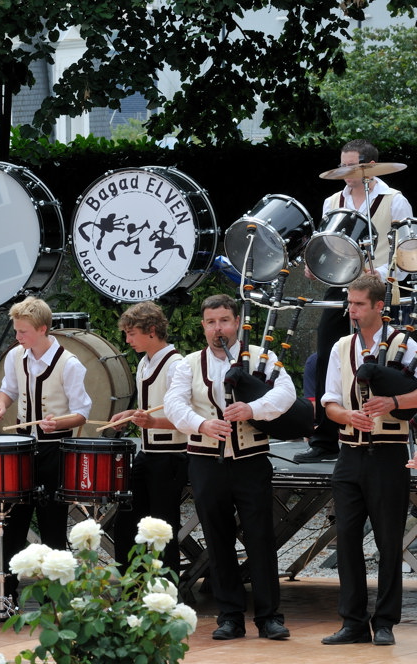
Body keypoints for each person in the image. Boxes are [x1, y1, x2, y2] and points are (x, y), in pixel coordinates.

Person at [164, 294, 295, 641]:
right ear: (203, 325)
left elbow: (286, 394)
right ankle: (230, 616)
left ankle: (269, 617)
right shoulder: (187, 364)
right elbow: (174, 405)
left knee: (261, 538)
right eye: (210, 322)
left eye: (223, 320)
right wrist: (201, 424)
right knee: (217, 539)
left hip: (251, 460)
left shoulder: (262, 359)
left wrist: (254, 409)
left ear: (236, 322)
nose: (217, 328)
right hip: (206, 462)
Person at [0, 296, 89, 623]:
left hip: (55, 449)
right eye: (16, 330)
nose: (18, 336)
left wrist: (59, 423)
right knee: (9, 524)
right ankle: (2, 601)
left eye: (23, 331)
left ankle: (58, 605)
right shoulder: (15, 357)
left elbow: (81, 413)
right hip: (22, 449)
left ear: (42, 329)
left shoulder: (70, 364)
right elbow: (8, 390)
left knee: (52, 527)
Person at [296, 138, 413, 464]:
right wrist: (314, 266)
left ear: (370, 167)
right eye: (343, 164)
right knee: (326, 356)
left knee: (381, 361)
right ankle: (324, 440)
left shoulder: (395, 201)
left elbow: (408, 253)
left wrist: (382, 274)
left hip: (382, 291)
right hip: (343, 289)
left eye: (352, 165)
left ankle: (383, 433)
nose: (346, 171)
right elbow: (328, 250)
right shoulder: (332, 201)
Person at [320, 275, 415, 646]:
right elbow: (329, 402)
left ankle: (387, 622)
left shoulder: (406, 344)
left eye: (359, 304)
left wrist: (391, 403)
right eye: (350, 303)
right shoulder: (342, 346)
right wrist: (347, 416)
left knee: (389, 541)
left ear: (379, 306)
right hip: (349, 454)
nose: (352, 310)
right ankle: (353, 622)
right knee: (346, 539)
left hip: (389, 453)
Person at [109, 301, 187, 573]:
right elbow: (150, 407)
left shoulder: (177, 365)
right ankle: (131, 588)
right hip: (148, 454)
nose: (128, 340)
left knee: (163, 528)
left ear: (152, 330)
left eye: (132, 334)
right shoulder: (144, 361)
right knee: (126, 521)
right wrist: (132, 414)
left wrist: (152, 421)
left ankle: (167, 592)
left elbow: (186, 419)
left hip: (172, 456)